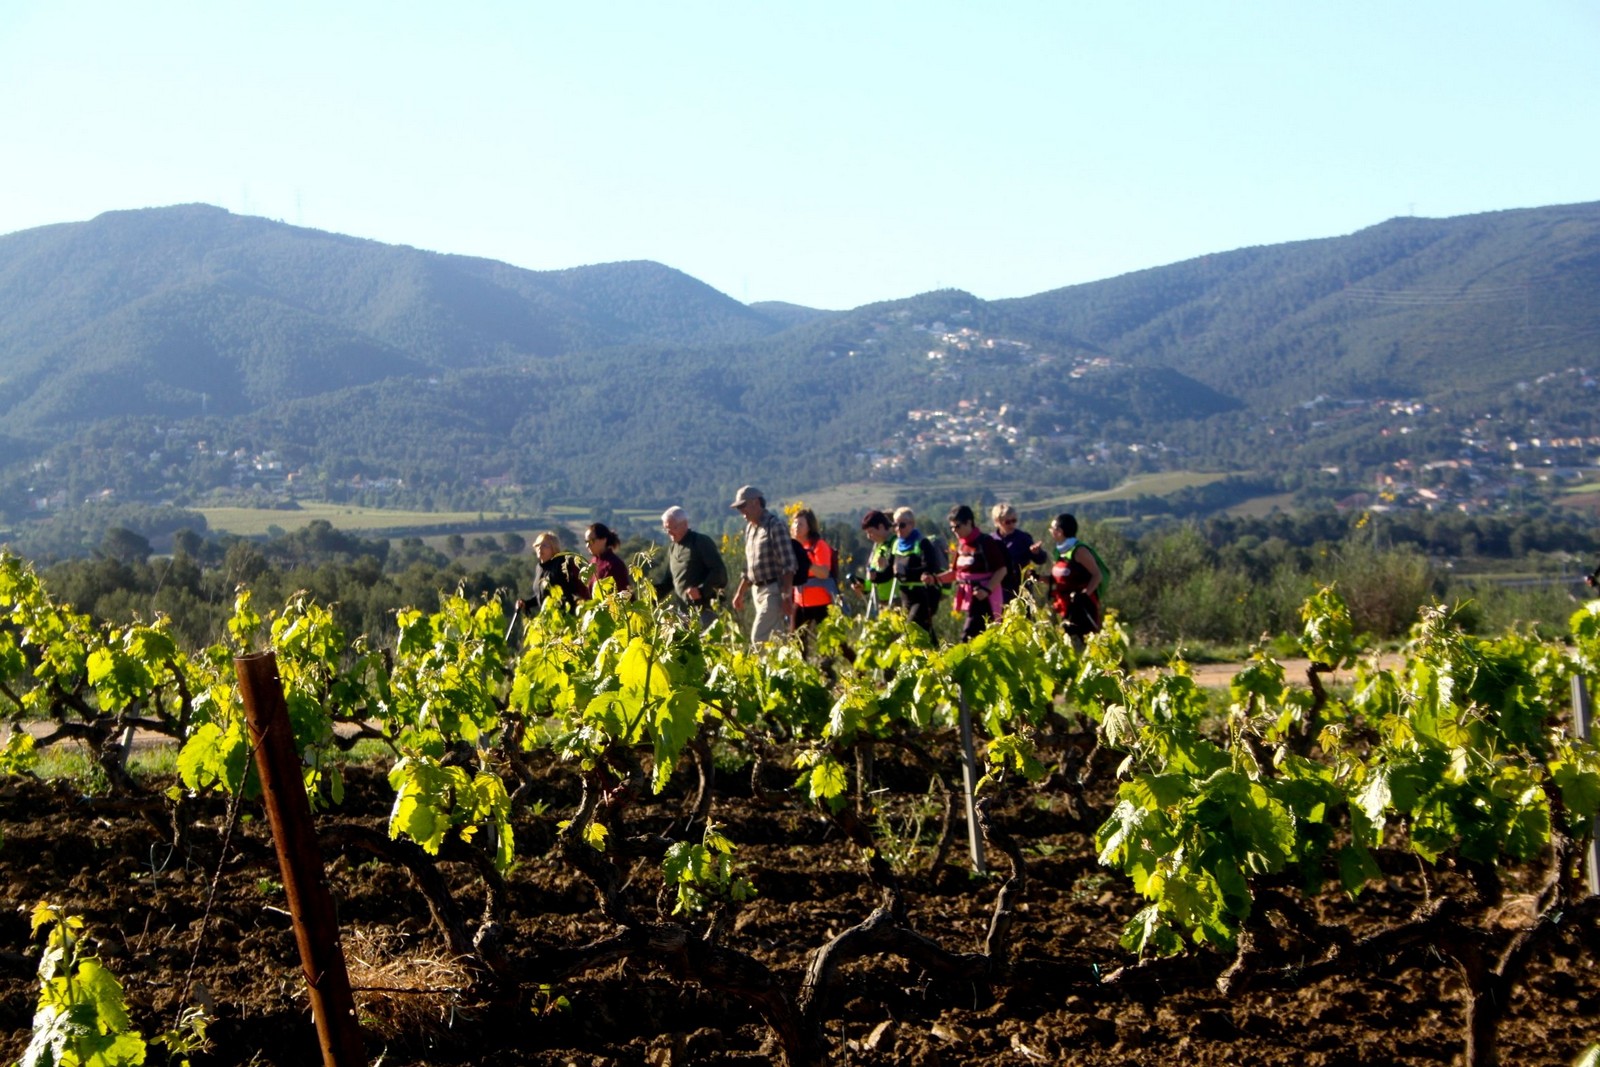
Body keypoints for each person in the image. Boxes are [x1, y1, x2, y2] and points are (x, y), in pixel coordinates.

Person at [729, 485, 797, 643]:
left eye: (743, 506)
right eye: (738, 507)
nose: (741, 511)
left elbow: (789, 564)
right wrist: (740, 593)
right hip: (757, 592)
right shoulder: (750, 529)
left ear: (756, 502)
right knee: (776, 640)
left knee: (759, 638)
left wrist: (786, 595)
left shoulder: (775, 526)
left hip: (773, 591)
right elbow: (749, 567)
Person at [936, 504, 1009, 642]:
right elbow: (956, 573)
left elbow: (1001, 570)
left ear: (969, 522)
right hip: (970, 597)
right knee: (978, 638)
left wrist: (987, 590)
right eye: (952, 527)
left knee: (968, 636)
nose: (954, 530)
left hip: (984, 598)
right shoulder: (962, 545)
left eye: (957, 526)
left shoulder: (985, 542)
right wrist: (934, 579)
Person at [656, 505, 727, 628]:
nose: (669, 532)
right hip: (683, 614)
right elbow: (668, 582)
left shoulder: (700, 541)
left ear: (685, 524)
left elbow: (719, 572)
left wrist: (701, 591)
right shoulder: (673, 548)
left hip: (705, 610)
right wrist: (646, 597)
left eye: (673, 528)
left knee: (707, 640)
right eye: (666, 529)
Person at [889, 506, 946, 638]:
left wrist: (905, 572)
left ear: (912, 524)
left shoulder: (922, 543)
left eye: (902, 525)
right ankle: (937, 650)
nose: (898, 529)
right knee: (924, 634)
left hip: (922, 595)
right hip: (905, 596)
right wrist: (870, 580)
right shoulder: (896, 544)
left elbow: (931, 567)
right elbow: (889, 571)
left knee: (911, 631)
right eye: (895, 525)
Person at [1047, 513, 1102, 643]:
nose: (1050, 531)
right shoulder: (1060, 552)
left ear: (1060, 531)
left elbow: (1097, 575)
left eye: (1052, 528)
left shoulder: (1079, 551)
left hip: (1081, 607)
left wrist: (1084, 594)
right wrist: (1036, 577)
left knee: (1083, 644)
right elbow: (1058, 579)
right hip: (1062, 606)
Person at [790, 508, 836, 630]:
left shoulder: (819, 545)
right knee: (795, 639)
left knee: (830, 639)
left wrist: (807, 564)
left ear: (809, 527)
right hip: (800, 602)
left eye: (801, 524)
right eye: (795, 523)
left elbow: (824, 573)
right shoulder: (792, 548)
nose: (796, 526)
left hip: (821, 603)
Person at [992, 502, 1046, 601]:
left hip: (1021, 590)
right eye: (1008, 522)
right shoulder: (991, 540)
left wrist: (1036, 552)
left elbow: (1041, 560)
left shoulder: (1023, 538)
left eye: (1014, 520)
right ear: (997, 521)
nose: (1012, 524)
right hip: (998, 589)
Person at [852, 509, 897, 618]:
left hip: (896, 600)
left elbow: (894, 571)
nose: (869, 536)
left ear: (881, 527)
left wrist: (885, 568)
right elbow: (873, 579)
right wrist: (863, 586)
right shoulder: (878, 548)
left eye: (870, 532)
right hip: (882, 602)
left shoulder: (896, 543)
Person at [584, 521, 632, 596]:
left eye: (591, 541)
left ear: (603, 540)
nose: (587, 545)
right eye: (586, 541)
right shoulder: (593, 562)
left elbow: (624, 593)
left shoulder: (614, 565)